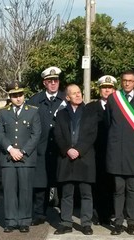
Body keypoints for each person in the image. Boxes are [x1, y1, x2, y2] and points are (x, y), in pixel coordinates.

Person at [105, 70, 134, 235]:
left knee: (132, 189)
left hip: (133, 151)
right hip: (117, 151)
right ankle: (118, 223)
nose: (126, 84)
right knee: (118, 189)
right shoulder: (113, 99)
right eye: (124, 81)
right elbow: (108, 122)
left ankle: (131, 223)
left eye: (130, 81)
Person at [0, 81, 41, 233]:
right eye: (14, 96)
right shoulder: (3, 112)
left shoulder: (33, 111)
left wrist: (23, 151)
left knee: (25, 190)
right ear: (10, 96)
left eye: (20, 95)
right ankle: (10, 221)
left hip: (26, 158)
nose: (18, 98)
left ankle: (24, 221)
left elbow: (36, 134)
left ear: (24, 95)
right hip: (8, 158)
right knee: (9, 191)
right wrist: (10, 149)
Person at [53, 84, 98, 235]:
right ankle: (66, 223)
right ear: (67, 97)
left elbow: (92, 134)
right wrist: (67, 150)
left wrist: (78, 150)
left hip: (84, 158)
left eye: (79, 92)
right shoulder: (60, 114)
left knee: (86, 193)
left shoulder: (90, 112)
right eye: (74, 93)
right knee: (66, 193)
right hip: (67, 158)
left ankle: (86, 223)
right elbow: (58, 134)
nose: (78, 95)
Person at [27, 66, 65, 225]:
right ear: (44, 83)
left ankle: (65, 215)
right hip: (41, 149)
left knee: (62, 184)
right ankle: (39, 214)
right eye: (50, 81)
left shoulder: (65, 98)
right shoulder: (35, 100)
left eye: (55, 80)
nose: (53, 83)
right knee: (40, 185)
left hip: (61, 149)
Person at [90, 75, 117, 225]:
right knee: (97, 183)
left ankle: (108, 213)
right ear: (99, 90)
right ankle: (96, 213)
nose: (107, 90)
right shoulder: (91, 107)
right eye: (104, 88)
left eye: (110, 88)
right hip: (96, 152)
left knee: (112, 184)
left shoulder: (120, 106)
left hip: (113, 151)